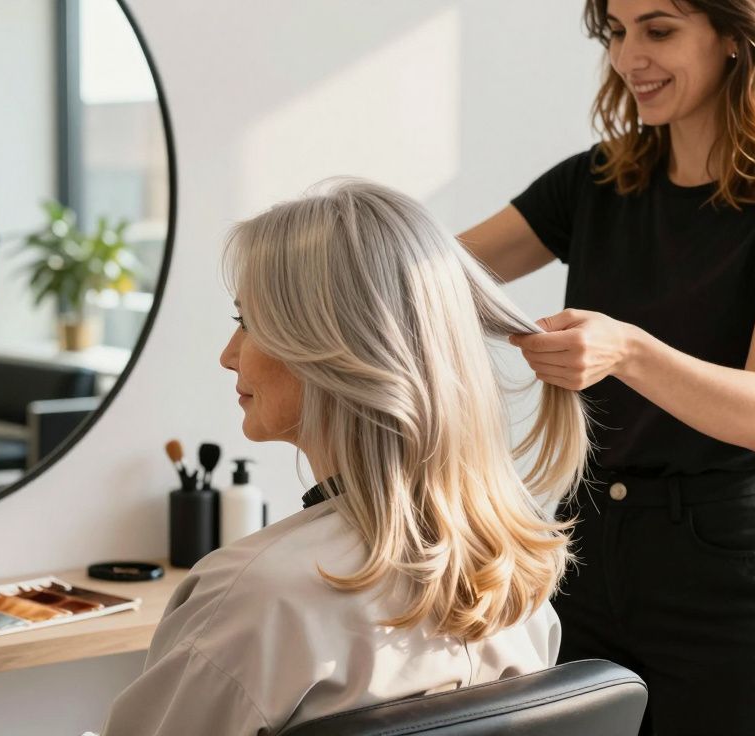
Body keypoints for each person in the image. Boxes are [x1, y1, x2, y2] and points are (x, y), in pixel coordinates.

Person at [458, 1, 755, 733]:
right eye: (617, 31)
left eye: (659, 29)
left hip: (723, 573)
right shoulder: (597, 183)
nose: (627, 55)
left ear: (738, 38)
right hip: (582, 550)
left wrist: (626, 349)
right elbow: (438, 275)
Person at [96, 179, 590, 735]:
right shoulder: (514, 579)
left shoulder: (257, 597)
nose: (228, 356)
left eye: (247, 323)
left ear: (332, 349)